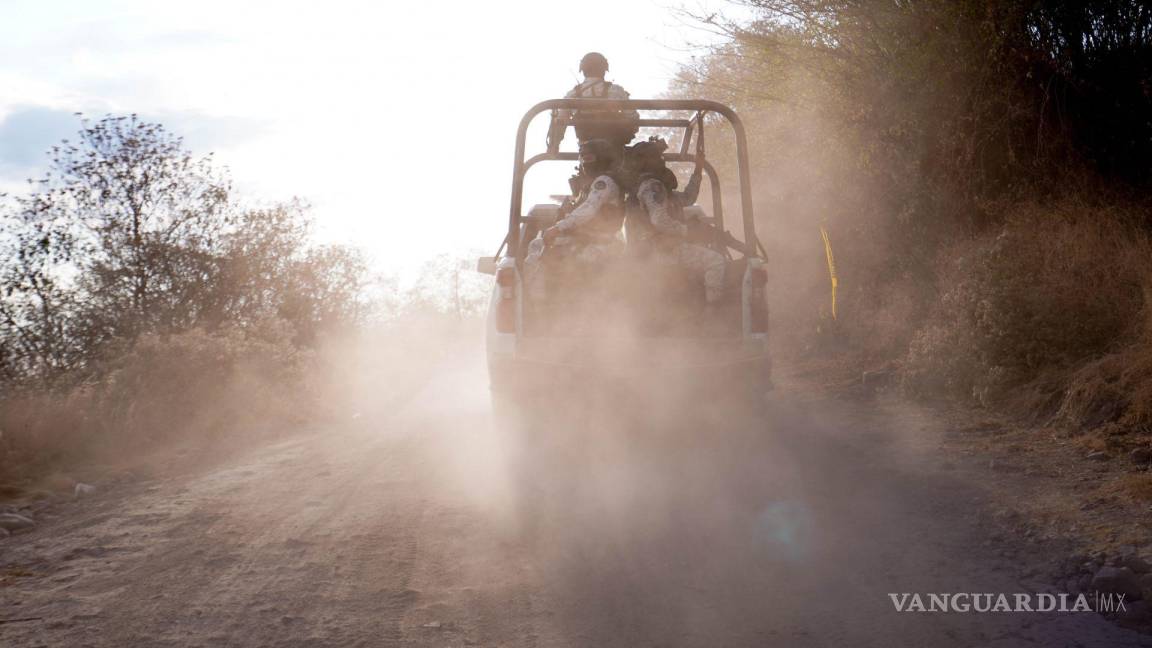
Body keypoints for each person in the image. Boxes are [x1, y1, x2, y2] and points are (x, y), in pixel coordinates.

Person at [624, 138, 727, 306]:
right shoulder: (652, 186)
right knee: (716, 261)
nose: (661, 161)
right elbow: (660, 220)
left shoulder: (651, 187)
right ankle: (713, 310)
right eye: (657, 157)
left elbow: (687, 198)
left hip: (655, 249)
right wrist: (688, 230)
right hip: (660, 251)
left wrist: (698, 170)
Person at [524, 139, 625, 300]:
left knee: (541, 248)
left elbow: (588, 209)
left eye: (589, 158)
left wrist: (558, 228)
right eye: (583, 158)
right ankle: (540, 302)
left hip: (600, 243)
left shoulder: (604, 182)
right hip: (586, 241)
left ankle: (539, 302)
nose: (585, 163)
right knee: (540, 248)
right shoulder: (589, 186)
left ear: (601, 158)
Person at [547, 52, 639, 151]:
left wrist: (554, 146)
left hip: (586, 151)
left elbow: (560, 121)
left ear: (583, 70)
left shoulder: (572, 95)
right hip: (613, 150)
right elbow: (632, 117)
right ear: (604, 70)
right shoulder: (616, 91)